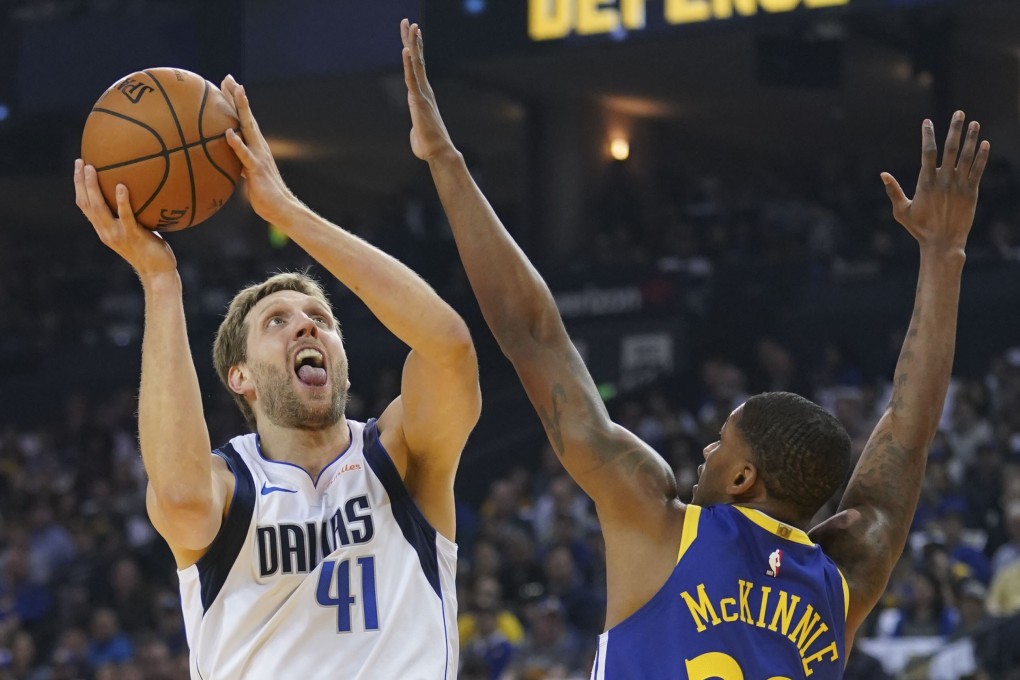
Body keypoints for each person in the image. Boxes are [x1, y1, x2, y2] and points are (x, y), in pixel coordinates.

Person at [399, 17, 989, 679]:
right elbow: (907, 436)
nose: (706, 451)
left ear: (743, 479)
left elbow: (534, 333)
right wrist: (946, 256)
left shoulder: (656, 521)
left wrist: (446, 163)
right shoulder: (842, 578)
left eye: (721, 443)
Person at [73, 72, 481, 679]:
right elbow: (180, 499)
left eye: (321, 318)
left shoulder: (400, 455)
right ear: (240, 377)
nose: (307, 327)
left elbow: (448, 348)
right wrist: (160, 279)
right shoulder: (229, 485)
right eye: (277, 322)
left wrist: (286, 210)